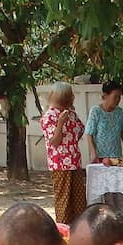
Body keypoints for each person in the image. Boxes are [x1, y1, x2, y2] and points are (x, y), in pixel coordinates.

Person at [40, 82, 86, 223]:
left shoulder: (71, 114)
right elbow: (54, 142)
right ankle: (64, 232)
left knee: (79, 201)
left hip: (75, 162)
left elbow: (80, 131)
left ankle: (79, 229)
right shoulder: (49, 116)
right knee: (64, 200)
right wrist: (60, 123)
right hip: (60, 165)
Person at [85, 82, 123, 163]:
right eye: (115, 97)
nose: (118, 100)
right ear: (105, 95)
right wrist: (93, 153)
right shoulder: (95, 111)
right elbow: (89, 134)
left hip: (116, 157)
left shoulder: (121, 113)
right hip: (100, 157)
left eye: (119, 97)